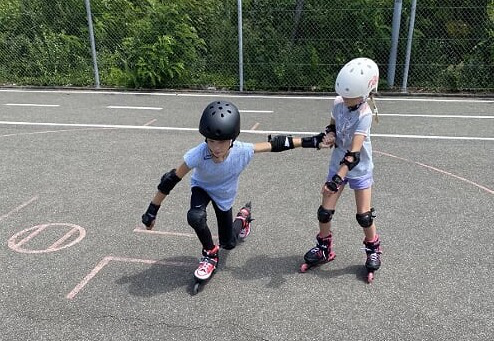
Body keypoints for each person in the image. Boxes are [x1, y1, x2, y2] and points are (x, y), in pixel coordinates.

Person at [141, 100, 328, 281]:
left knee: (228, 244)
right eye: (211, 141)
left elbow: (276, 145)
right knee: (195, 216)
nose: (215, 148)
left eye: (221, 142)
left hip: (224, 195)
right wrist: (152, 210)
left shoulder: (243, 150)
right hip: (202, 188)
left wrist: (311, 142)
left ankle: (243, 219)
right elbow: (170, 179)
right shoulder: (198, 154)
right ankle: (209, 254)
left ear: (232, 139)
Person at [300, 57, 382, 281]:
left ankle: (373, 249)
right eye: (343, 95)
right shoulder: (338, 103)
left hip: (358, 168)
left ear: (366, 92)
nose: (345, 99)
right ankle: (325, 248)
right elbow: (332, 125)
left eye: (350, 95)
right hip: (338, 164)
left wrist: (335, 180)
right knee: (324, 212)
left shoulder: (364, 114)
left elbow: (353, 154)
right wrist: (329, 135)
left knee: (364, 216)